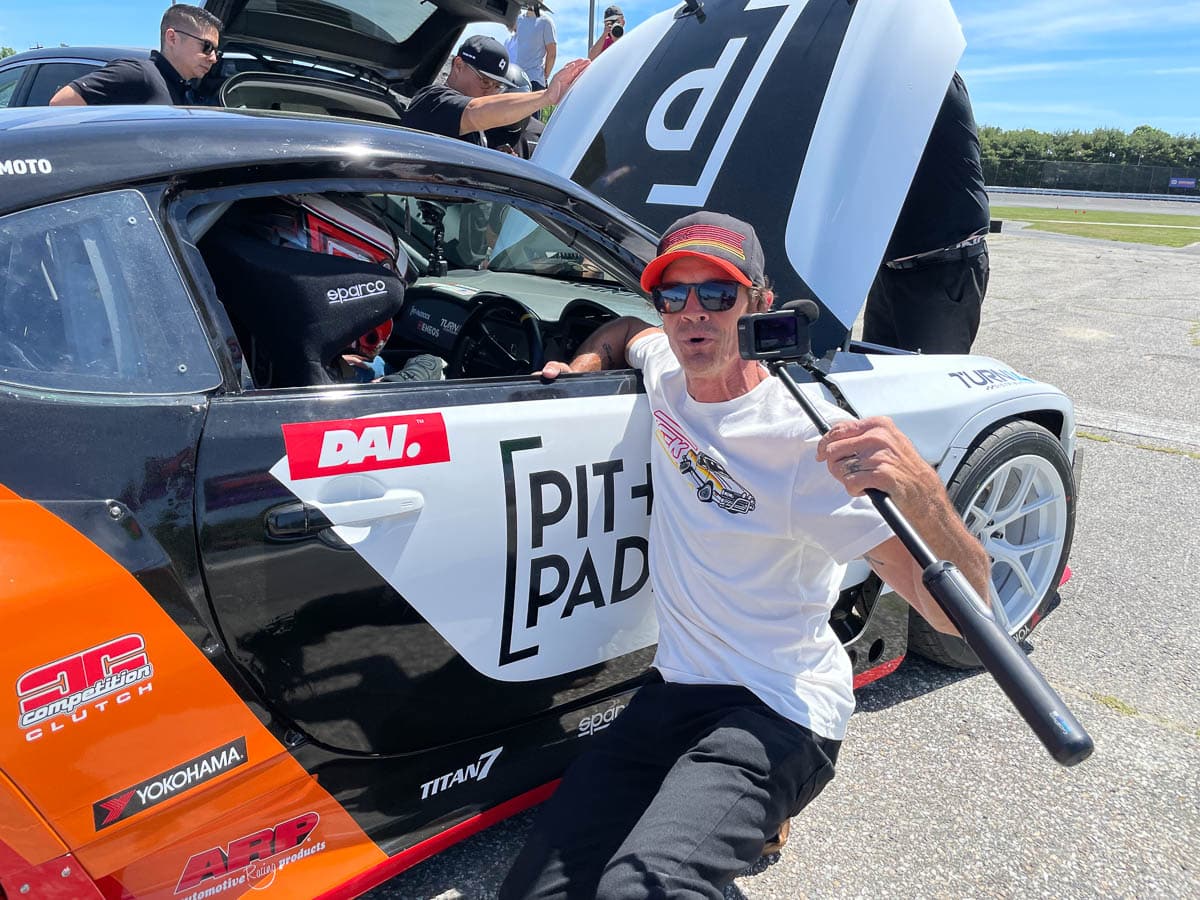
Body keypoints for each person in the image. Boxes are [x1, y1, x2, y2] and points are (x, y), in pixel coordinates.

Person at [499, 211, 989, 899]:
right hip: (673, 691)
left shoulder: (805, 442)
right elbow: (621, 336)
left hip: (778, 708)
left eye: (718, 294)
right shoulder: (667, 367)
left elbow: (960, 617)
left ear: (759, 304)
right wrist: (585, 363)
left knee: (642, 890)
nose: (693, 313)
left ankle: (759, 808)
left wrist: (925, 493)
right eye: (674, 295)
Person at [862, 72, 990, 354]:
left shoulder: (934, 73)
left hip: (941, 265)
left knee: (931, 387)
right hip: (891, 268)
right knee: (873, 385)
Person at [401, 35, 587, 148]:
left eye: (497, 86)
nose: (489, 92)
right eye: (485, 81)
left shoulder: (478, 127)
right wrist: (545, 97)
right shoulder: (432, 100)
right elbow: (475, 112)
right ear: (458, 65)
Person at [50, 4, 221, 107]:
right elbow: (61, 103)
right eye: (207, 46)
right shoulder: (139, 74)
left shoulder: (184, 91)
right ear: (172, 38)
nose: (213, 58)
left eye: (216, 51)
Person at [514, 2, 557, 91]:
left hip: (535, 80)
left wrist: (545, 76)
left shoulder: (546, 21)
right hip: (518, 78)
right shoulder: (519, 20)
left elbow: (552, 53)